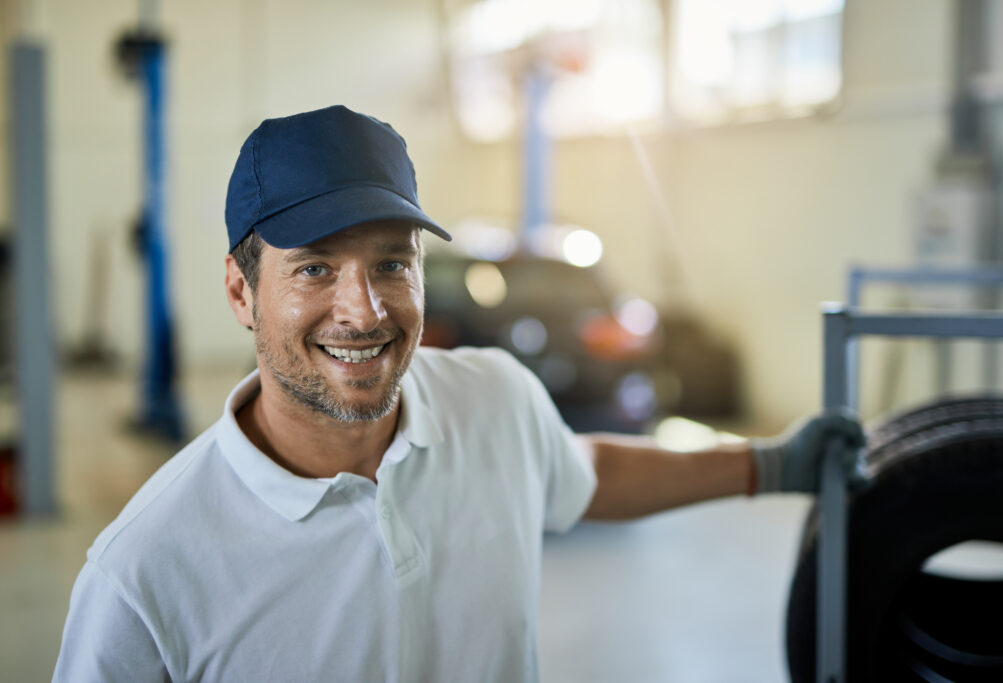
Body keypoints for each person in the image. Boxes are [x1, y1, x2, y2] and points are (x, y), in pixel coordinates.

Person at [52, 105, 864, 682]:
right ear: (240, 291)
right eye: (315, 268)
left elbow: (579, 473)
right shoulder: (146, 574)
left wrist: (767, 463)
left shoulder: (495, 400)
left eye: (391, 264)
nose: (364, 310)